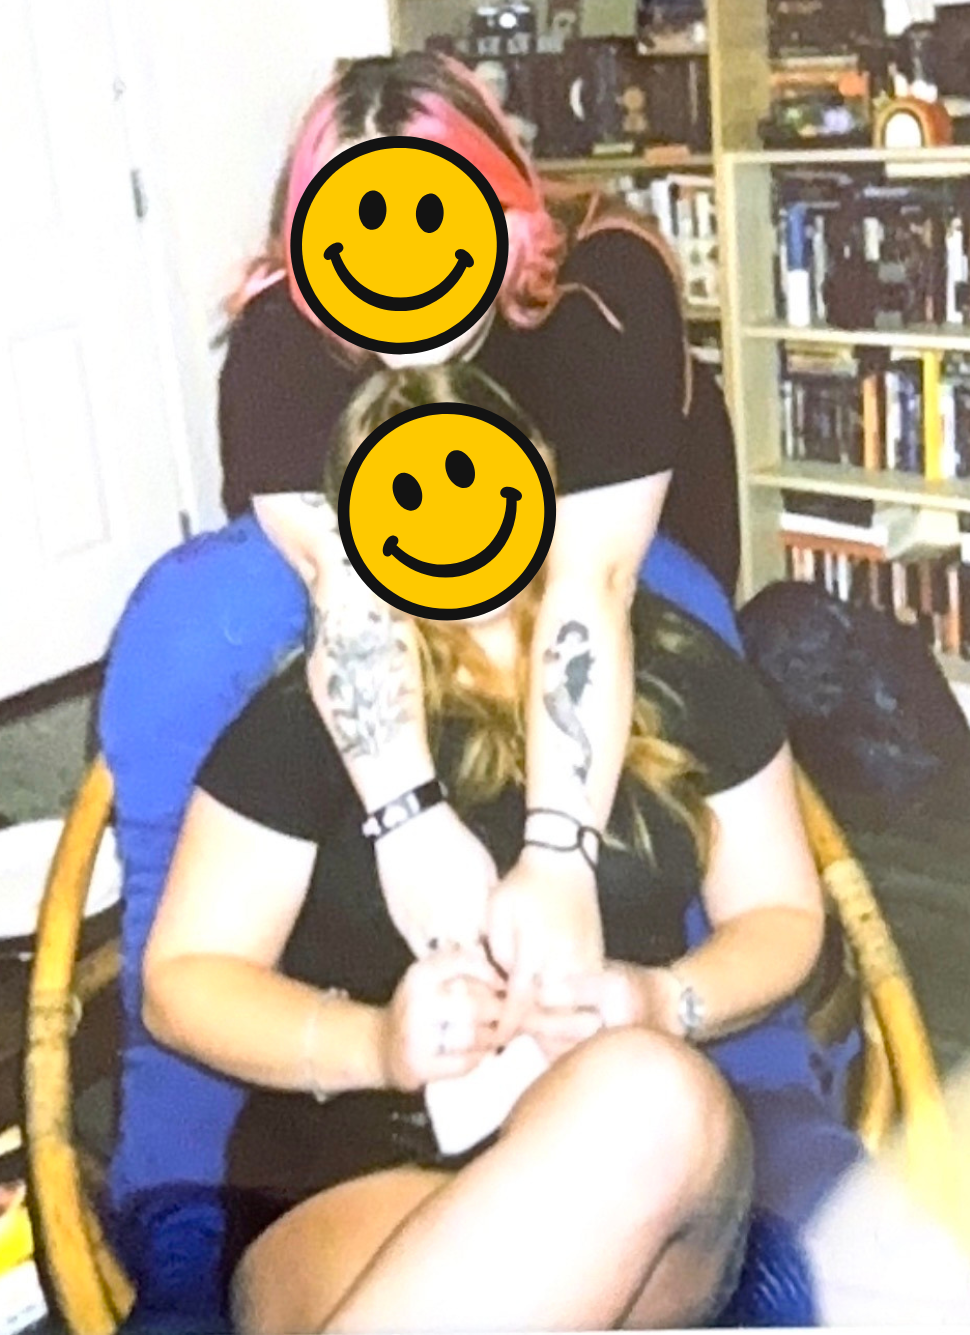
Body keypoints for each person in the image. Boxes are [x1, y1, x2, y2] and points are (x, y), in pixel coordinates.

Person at [146, 364, 822, 1334]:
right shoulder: (319, 714)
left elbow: (783, 914)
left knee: (650, 1095)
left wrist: (656, 1000)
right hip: (363, 1171)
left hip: (636, 1169)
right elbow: (182, 983)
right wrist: (375, 1044)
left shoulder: (674, 671)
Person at [217, 51, 740, 1020]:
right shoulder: (281, 338)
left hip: (611, 557)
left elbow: (593, 584)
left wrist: (559, 856)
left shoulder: (603, 291)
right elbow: (348, 591)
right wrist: (408, 823)